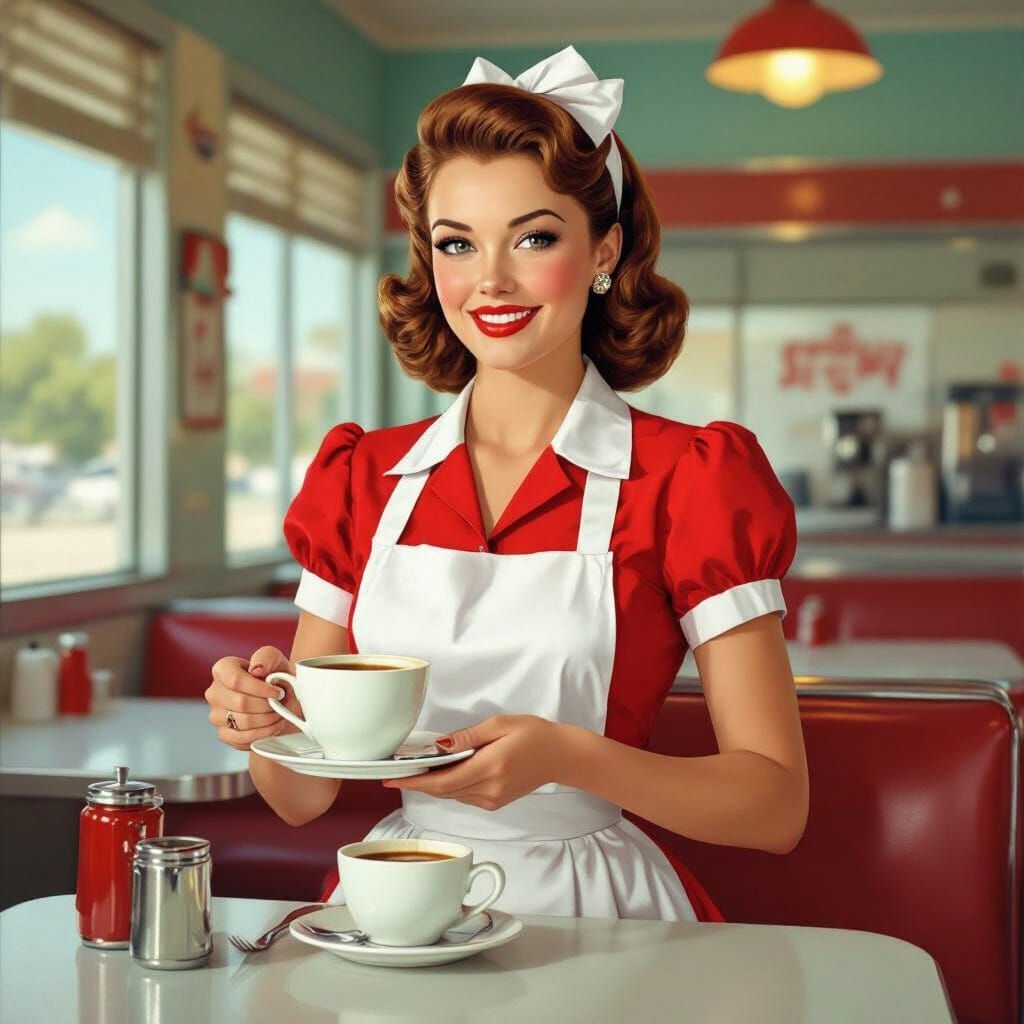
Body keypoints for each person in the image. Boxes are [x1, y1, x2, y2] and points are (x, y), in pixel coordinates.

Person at [205, 45, 808, 923]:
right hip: (399, 902)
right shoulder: (361, 479)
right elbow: (302, 797)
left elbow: (776, 808)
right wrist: (265, 722)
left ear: (604, 250)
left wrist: (571, 758)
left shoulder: (691, 480)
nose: (490, 279)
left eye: (534, 238)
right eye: (458, 244)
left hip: (596, 913)